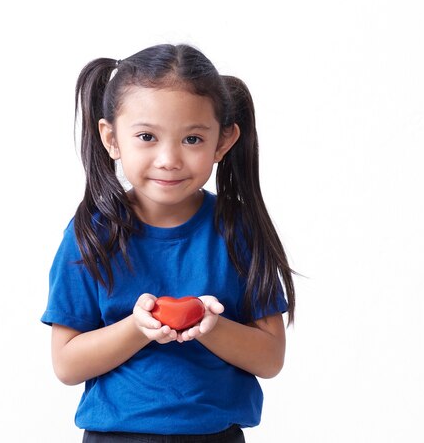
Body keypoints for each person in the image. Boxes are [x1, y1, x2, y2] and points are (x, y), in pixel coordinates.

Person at [41, 43, 296, 442]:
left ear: (223, 142)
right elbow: (67, 364)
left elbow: (270, 358)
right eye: (146, 136)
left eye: (192, 139)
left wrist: (209, 326)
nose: (169, 159)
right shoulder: (91, 234)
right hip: (117, 435)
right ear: (111, 138)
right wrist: (138, 328)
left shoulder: (238, 229)